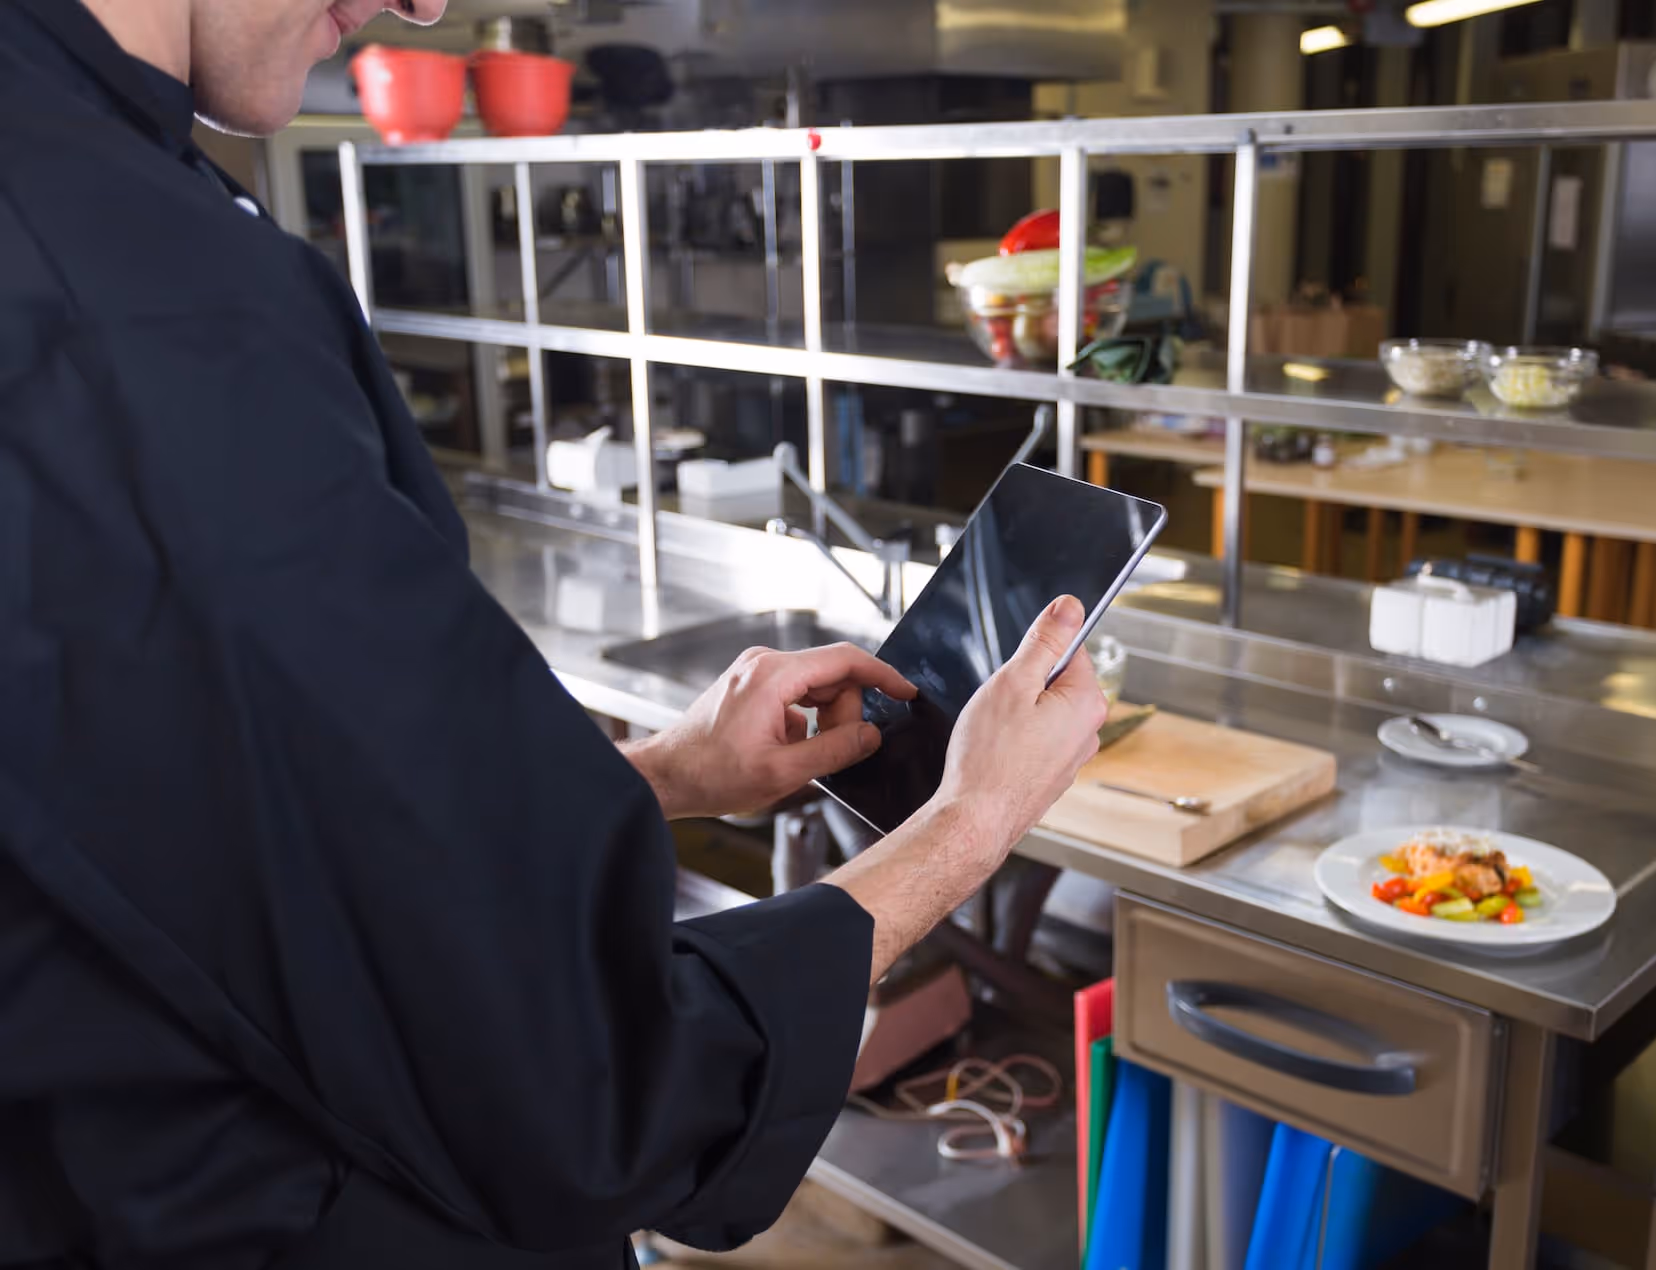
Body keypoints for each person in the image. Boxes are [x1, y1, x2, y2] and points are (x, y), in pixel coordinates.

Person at [0, 0, 1109, 1265]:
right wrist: (965, 827)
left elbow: (232, 843)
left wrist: (665, 774)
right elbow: (593, 1083)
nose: (422, 8)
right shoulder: (150, 303)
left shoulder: (74, 180)